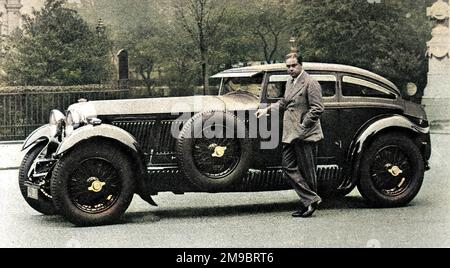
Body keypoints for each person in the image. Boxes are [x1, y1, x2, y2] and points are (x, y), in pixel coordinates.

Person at [255, 53, 324, 217]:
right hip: (290, 133)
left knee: (308, 171)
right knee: (287, 166)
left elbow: (318, 108)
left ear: (301, 65)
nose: (291, 69)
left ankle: (309, 204)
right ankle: (311, 199)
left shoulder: (310, 82)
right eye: (288, 66)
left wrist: (303, 124)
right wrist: (267, 109)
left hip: (304, 134)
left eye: (293, 65)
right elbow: (284, 102)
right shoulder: (289, 82)